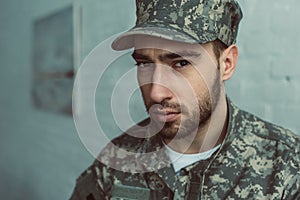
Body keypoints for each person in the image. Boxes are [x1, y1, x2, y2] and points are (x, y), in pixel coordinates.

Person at [70, 0, 300, 199]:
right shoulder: (116, 159)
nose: (157, 94)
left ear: (226, 64)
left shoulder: (288, 168)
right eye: (144, 63)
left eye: (181, 63)